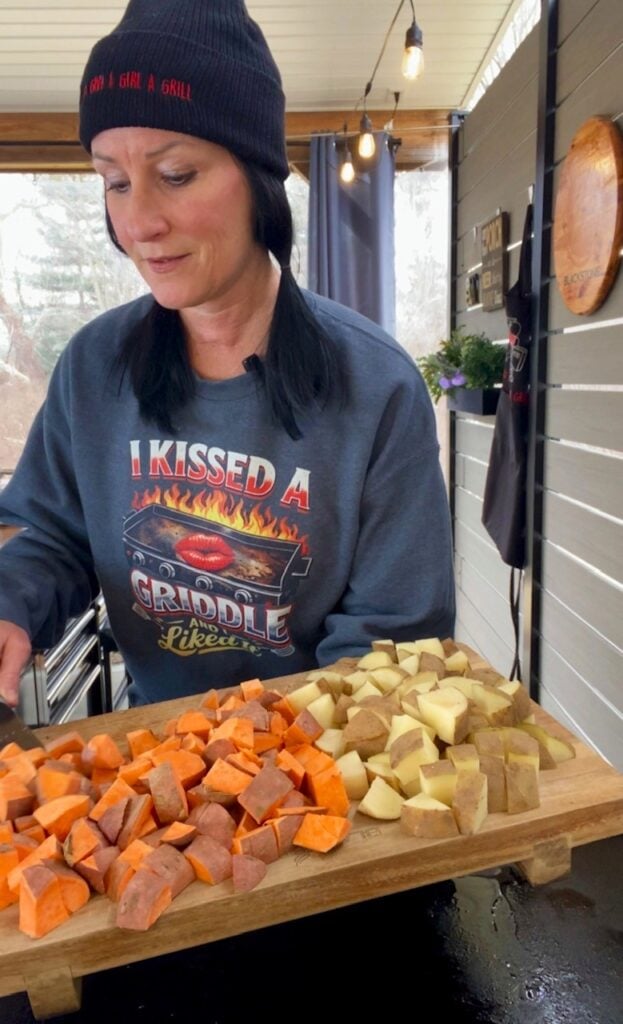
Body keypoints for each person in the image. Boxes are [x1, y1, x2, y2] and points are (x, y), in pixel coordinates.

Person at [0, 0, 455, 708]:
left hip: (320, 753)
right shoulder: (93, 367)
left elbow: (390, 641)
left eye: (177, 174)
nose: (139, 222)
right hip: (151, 751)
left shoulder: (377, 387)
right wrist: (10, 604)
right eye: (114, 182)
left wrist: (265, 755)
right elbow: (50, 534)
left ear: (259, 176)